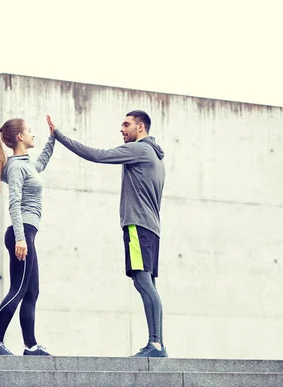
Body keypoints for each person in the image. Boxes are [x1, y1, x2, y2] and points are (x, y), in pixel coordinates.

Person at [46, 111, 167, 358]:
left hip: (138, 226)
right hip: (150, 228)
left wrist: (59, 136)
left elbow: (97, 156)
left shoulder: (140, 150)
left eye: (126, 124)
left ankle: (156, 345)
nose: (121, 129)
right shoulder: (154, 155)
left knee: (143, 282)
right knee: (147, 283)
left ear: (140, 127)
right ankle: (156, 343)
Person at [0, 118, 55, 356]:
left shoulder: (26, 164)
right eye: (30, 131)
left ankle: (30, 345)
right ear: (20, 137)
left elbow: (41, 163)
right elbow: (14, 203)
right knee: (17, 289)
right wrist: (21, 239)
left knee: (31, 291)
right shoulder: (15, 167)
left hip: (26, 233)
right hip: (20, 233)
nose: (33, 135)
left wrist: (54, 137)